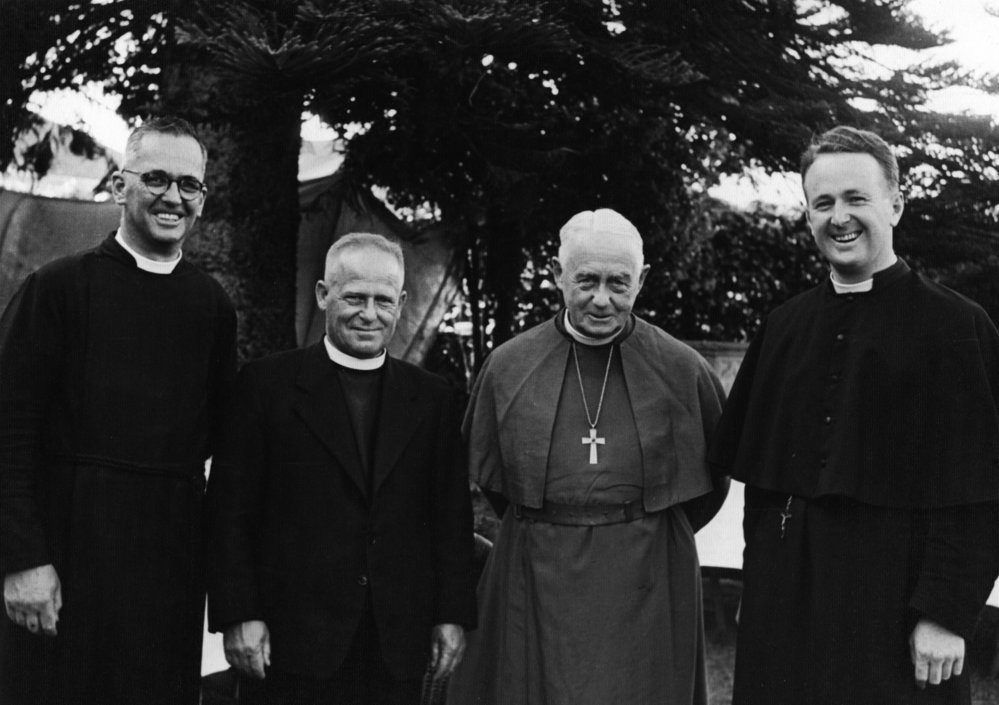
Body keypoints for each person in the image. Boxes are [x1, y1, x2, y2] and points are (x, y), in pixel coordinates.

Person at [710, 126, 999, 705]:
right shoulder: (784, 326)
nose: (838, 217)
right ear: (808, 215)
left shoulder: (957, 327)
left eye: (856, 199)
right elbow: (762, 488)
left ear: (895, 204)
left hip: (898, 603)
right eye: (823, 203)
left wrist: (945, 612)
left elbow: (982, 493)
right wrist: (758, 580)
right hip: (788, 595)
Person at [0, 116, 237, 704]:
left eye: (188, 185)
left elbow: (217, 441)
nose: (172, 197)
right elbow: (8, 434)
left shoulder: (211, 306)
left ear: (202, 200)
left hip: (166, 576)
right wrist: (22, 560)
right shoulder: (56, 288)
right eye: (155, 178)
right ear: (118, 185)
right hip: (62, 565)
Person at [447, 209, 727, 705]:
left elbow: (712, 480)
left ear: (641, 280)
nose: (602, 299)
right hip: (536, 566)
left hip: (648, 572)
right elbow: (494, 482)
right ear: (558, 274)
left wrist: (636, 523)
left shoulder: (683, 369)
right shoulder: (508, 366)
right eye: (586, 280)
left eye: (618, 283)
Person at [207, 232, 477, 705]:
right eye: (354, 297)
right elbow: (230, 512)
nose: (369, 314)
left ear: (402, 303)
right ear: (323, 294)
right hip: (288, 641)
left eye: (383, 300)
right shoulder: (266, 387)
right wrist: (238, 614)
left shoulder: (432, 398)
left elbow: (451, 520)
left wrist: (451, 615)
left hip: (393, 643)